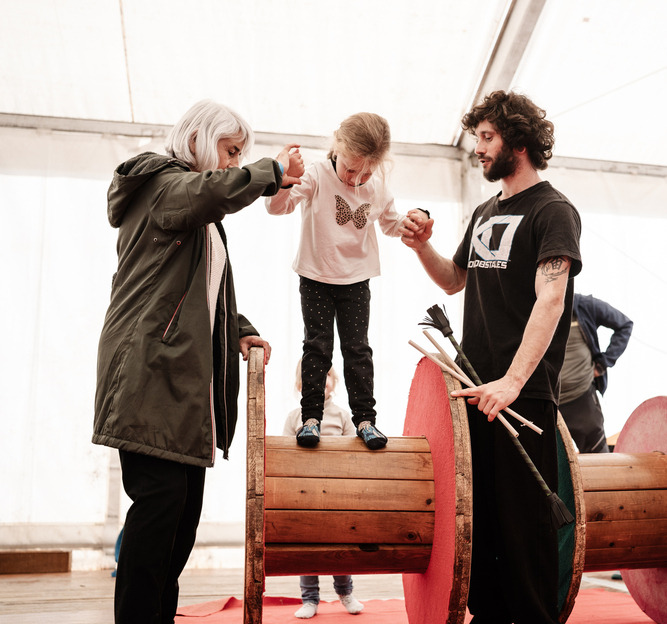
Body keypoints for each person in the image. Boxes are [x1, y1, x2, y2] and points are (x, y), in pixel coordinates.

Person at [93, 99, 295, 624]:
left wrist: (241, 331)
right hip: (149, 373)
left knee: (180, 522)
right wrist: (269, 172)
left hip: (183, 386)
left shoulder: (198, 213)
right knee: (158, 511)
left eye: (240, 156)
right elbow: (212, 192)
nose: (232, 164)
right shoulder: (164, 187)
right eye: (229, 151)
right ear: (201, 140)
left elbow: (206, 295)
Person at [403, 90, 582, 624]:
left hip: (520, 397)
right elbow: (455, 280)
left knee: (524, 539)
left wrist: (510, 382)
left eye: (487, 137)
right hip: (471, 392)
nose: (476, 149)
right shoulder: (484, 211)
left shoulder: (554, 211)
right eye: (475, 137)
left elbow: (551, 301)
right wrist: (422, 248)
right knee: (480, 536)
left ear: (519, 143)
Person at [265, 112, 428, 451]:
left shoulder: (377, 188)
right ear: (336, 148)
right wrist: (283, 179)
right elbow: (277, 208)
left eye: (366, 172)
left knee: (357, 350)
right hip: (316, 276)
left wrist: (416, 220)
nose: (357, 179)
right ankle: (311, 419)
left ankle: (365, 421)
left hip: (356, 280)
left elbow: (391, 224)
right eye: (351, 169)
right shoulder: (317, 175)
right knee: (317, 347)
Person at [282, 364, 364, 619]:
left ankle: (345, 593)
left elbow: (355, 451)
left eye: (326, 374)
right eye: (312, 375)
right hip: (307, 490)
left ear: (334, 381)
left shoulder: (342, 415)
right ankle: (310, 599)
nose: (321, 379)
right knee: (307, 545)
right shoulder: (295, 417)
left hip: (337, 489)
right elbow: (284, 451)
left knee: (340, 543)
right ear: (300, 385)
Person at [558, 294, 633, 453]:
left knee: (599, 459)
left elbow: (624, 325)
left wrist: (603, 364)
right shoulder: (527, 307)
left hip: (582, 400)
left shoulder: (584, 305)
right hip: (546, 403)